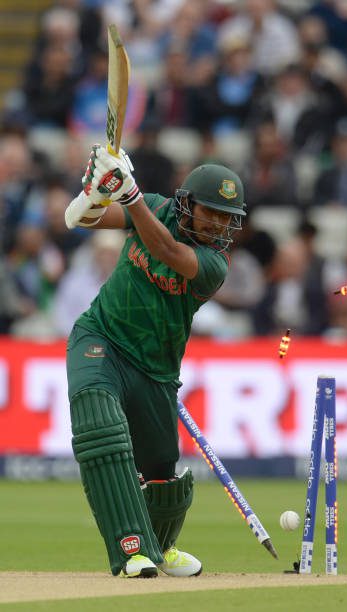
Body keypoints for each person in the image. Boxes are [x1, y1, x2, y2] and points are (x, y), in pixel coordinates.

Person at [64, 144, 246, 578]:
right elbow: (81, 219)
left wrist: (131, 197)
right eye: (212, 211)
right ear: (187, 203)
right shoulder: (158, 208)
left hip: (157, 369)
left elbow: (167, 252)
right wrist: (97, 189)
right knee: (101, 426)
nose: (219, 223)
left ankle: (159, 549)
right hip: (101, 337)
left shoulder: (214, 264)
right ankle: (131, 548)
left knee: (163, 474)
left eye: (227, 217)